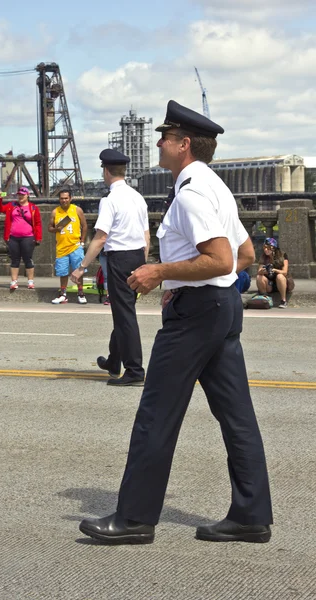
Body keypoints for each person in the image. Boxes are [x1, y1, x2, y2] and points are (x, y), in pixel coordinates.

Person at [79, 100, 273, 544]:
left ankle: (134, 519)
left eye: (165, 138)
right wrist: (221, 289)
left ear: (183, 145)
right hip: (221, 308)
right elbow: (242, 256)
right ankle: (251, 515)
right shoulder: (216, 187)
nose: (159, 143)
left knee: (156, 414)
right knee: (237, 417)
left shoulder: (190, 194)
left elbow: (220, 257)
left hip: (195, 315)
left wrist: (161, 272)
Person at [71, 149, 150, 386]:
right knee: (123, 312)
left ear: (106, 171)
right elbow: (147, 237)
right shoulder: (138, 197)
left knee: (125, 316)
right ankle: (114, 361)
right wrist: (142, 263)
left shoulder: (109, 200)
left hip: (119, 258)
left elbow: (100, 238)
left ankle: (135, 369)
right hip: (137, 256)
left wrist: (82, 267)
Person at [0, 187, 42, 290]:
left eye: (23, 194)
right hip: (13, 237)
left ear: (27, 195)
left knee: (27, 259)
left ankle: (30, 281)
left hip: (28, 237)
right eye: (19, 194)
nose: (20, 196)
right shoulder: (11, 206)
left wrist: (38, 237)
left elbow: (38, 224)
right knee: (14, 259)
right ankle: (14, 281)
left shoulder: (33, 208)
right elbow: (0, 208)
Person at [49, 189, 88, 305]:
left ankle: (81, 293)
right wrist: (56, 229)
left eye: (66, 198)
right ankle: (63, 294)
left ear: (70, 198)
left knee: (79, 270)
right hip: (61, 247)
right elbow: (49, 228)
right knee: (62, 272)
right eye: (62, 198)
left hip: (75, 246)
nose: (64, 200)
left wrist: (82, 242)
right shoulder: (55, 212)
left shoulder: (77, 210)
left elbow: (85, 226)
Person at [256, 237, 289, 308]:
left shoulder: (282, 255)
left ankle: (283, 300)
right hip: (269, 284)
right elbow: (259, 271)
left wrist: (274, 270)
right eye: (264, 247)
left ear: (273, 247)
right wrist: (263, 271)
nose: (265, 250)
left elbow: (285, 272)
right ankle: (265, 299)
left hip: (281, 282)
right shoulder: (263, 257)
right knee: (259, 277)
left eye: (267, 248)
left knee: (280, 276)